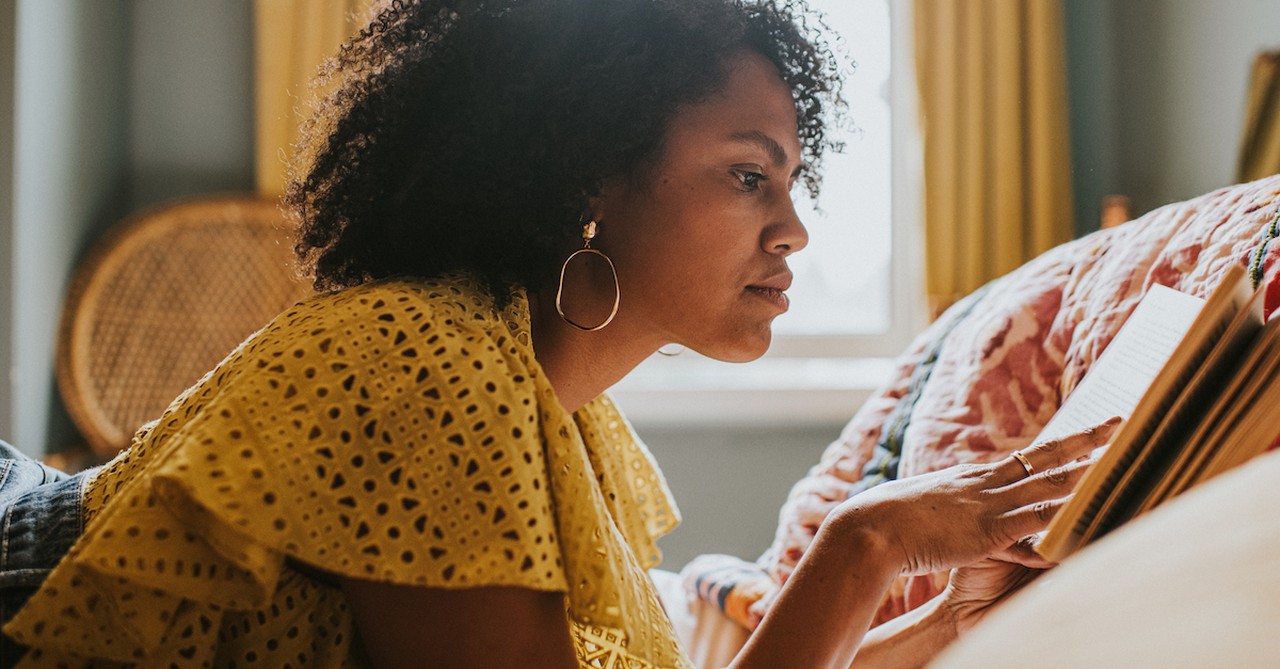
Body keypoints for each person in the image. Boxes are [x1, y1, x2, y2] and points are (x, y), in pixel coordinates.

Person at [0, 1, 1118, 667]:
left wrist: (908, 635)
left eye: (789, 180)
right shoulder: (418, 363)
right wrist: (858, 548)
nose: (793, 230)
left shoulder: (563, 426)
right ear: (585, 171)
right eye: (746, 177)